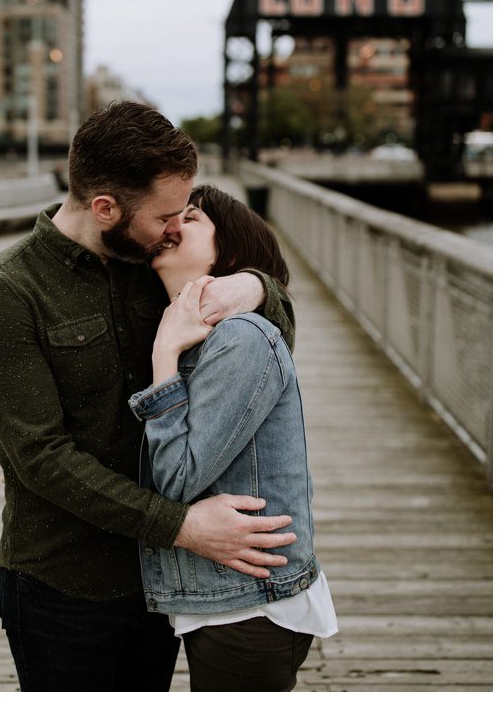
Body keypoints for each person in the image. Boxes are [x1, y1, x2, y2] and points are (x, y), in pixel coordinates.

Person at [0, 101, 300, 691]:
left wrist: (252, 285)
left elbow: (274, 341)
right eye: (166, 215)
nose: (176, 228)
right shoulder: (5, 292)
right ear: (105, 208)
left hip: (161, 583)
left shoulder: (152, 260)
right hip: (63, 582)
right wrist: (182, 527)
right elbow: (40, 458)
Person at [131, 185, 337, 690]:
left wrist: (162, 355)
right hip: (232, 601)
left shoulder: (240, 339)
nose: (172, 226)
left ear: (233, 255)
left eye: (192, 218)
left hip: (248, 609)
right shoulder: (214, 337)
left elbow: (177, 480)